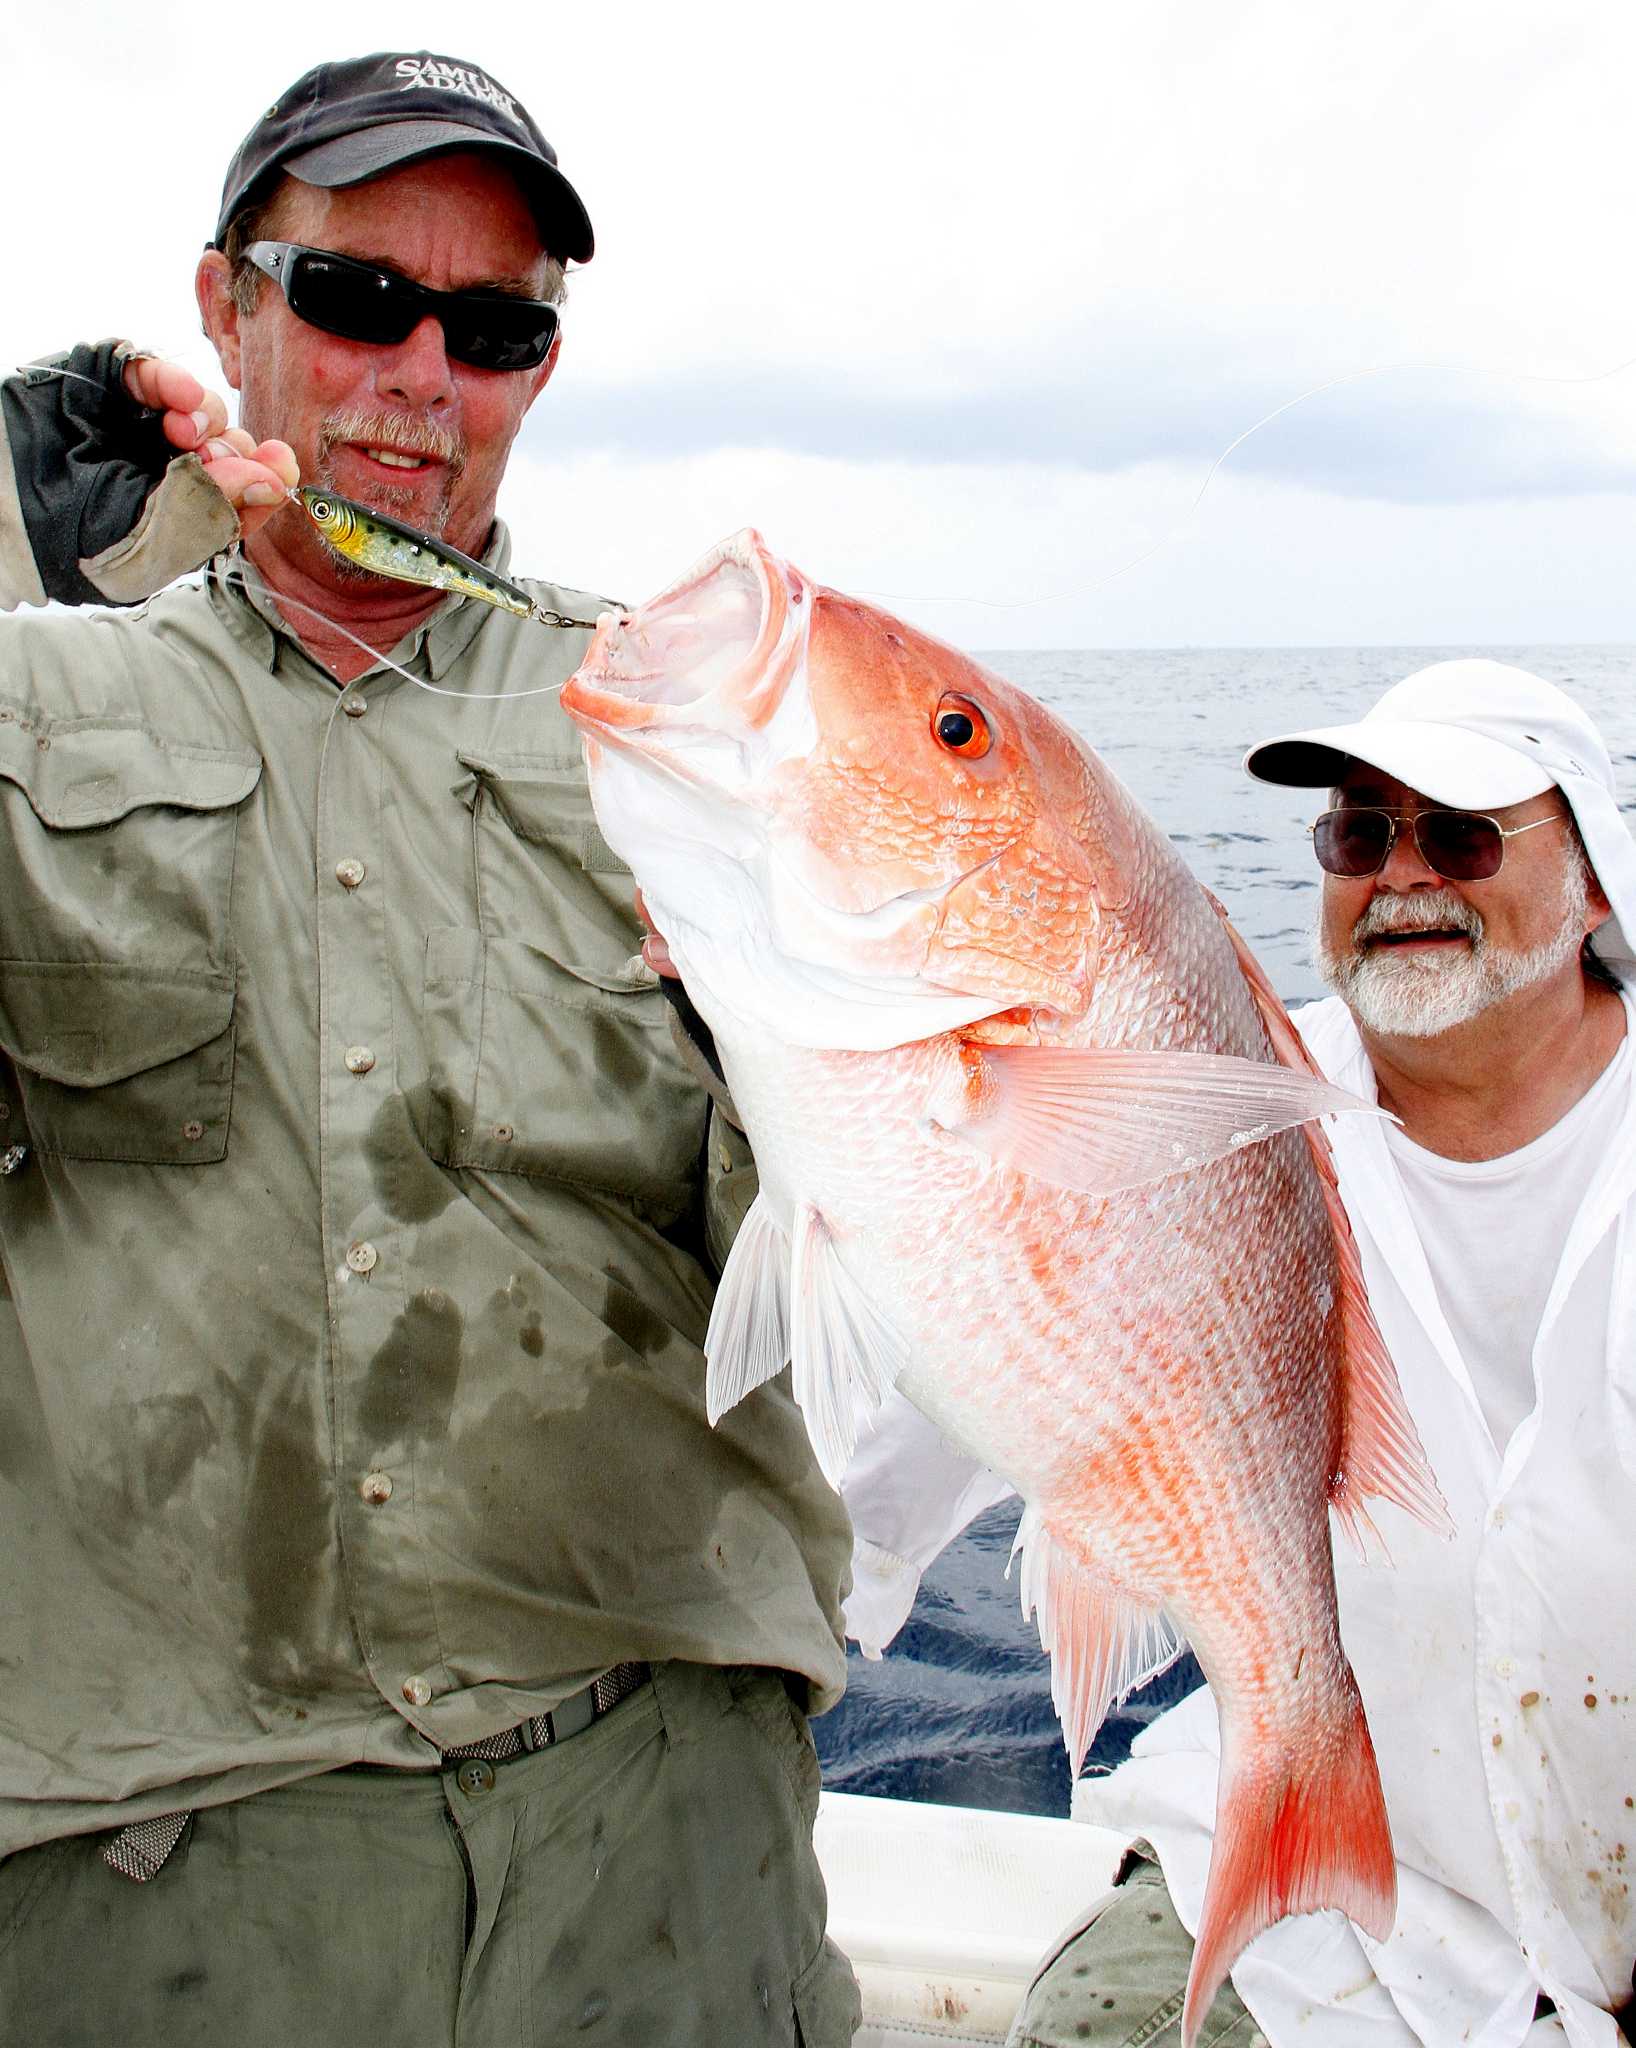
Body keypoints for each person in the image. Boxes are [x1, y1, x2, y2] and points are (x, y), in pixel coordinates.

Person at [0, 50, 859, 2048]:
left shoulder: (703, 737)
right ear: (224, 309)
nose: (416, 375)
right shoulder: (36, 707)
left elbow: (873, 1264)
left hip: (654, 1830)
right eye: (353, 297)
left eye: (490, 328)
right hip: (161, 1849)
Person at [846, 660, 1636, 2046]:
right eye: (1357, 834)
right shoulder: (1198, 1101)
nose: (1402, 878)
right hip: (1308, 1921)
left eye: (1460, 834)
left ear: (1597, 887)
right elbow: (896, 1444)